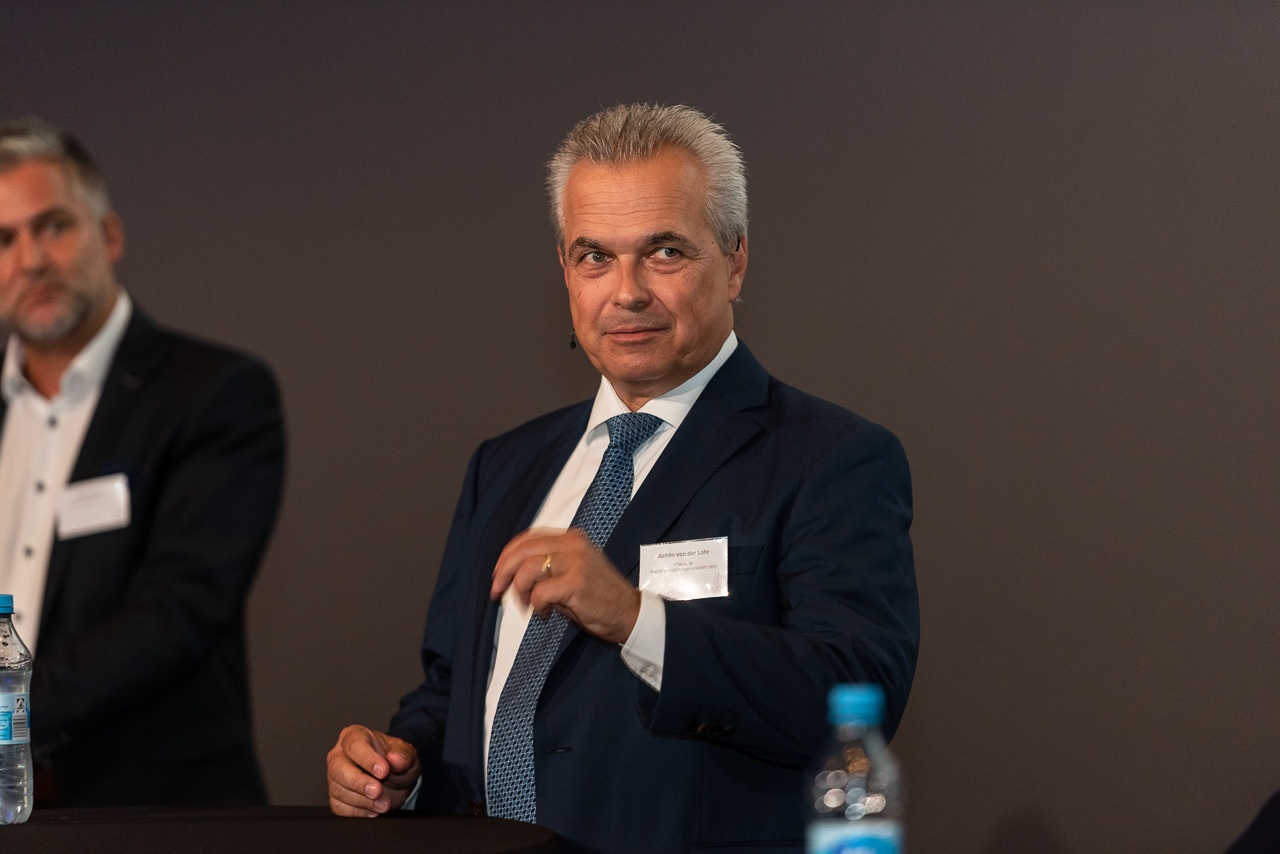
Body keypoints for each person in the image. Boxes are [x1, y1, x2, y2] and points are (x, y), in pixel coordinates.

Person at [327, 103, 918, 853]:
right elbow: (453, 687)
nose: (627, 291)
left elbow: (854, 702)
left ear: (735, 260)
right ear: (565, 270)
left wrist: (636, 619)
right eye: (595, 257)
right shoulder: (505, 465)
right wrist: (399, 762)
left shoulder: (829, 457)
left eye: (664, 252)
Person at [0, 117, 285, 806]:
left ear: (110, 235)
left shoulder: (213, 392)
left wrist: (9, 715)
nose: (31, 260)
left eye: (53, 226)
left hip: (156, 811)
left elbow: (178, 610)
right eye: (3, 240)